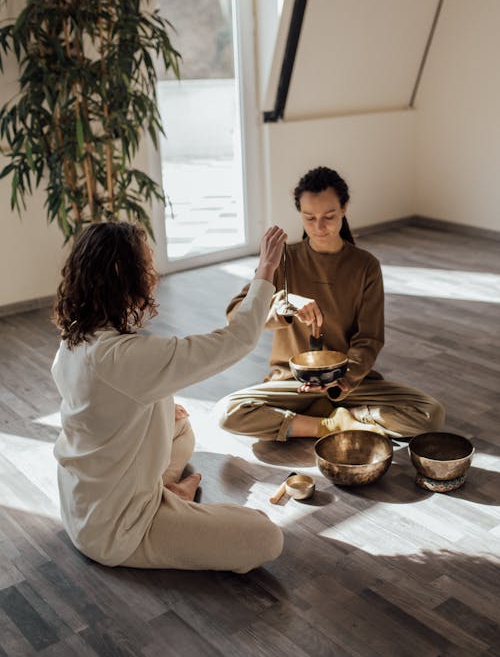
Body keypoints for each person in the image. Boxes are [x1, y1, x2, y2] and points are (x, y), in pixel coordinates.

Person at [51, 221, 286, 573]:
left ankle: (171, 493)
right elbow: (236, 340)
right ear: (121, 273)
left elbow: (103, 409)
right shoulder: (124, 356)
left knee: (180, 428)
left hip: (82, 502)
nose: (154, 275)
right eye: (146, 265)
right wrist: (266, 270)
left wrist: (158, 412)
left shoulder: (74, 342)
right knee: (265, 535)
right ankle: (173, 498)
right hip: (118, 530)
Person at [217, 166, 445, 442]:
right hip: (292, 382)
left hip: (348, 382)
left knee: (430, 413)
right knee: (229, 412)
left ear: (344, 208)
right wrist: (284, 304)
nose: (319, 227)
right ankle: (336, 425)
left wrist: (344, 380)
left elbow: (369, 339)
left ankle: (322, 415)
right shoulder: (284, 260)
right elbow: (236, 316)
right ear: (299, 213)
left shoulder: (365, 266)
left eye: (329, 216)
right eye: (309, 218)